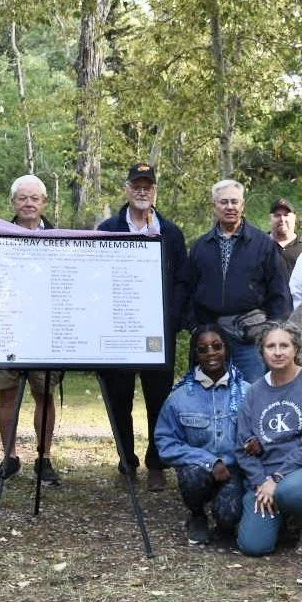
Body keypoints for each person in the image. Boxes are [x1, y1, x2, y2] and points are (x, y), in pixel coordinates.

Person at [96, 162, 188, 491]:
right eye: (137, 185)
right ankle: (127, 459)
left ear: (155, 191)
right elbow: (95, 280)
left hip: (157, 334)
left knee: (158, 401)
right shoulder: (107, 229)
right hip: (118, 332)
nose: (142, 191)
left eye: (148, 186)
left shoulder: (171, 232)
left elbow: (181, 281)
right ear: (127, 189)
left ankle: (156, 461)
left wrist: (172, 320)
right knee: (118, 398)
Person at [0, 174, 65, 486]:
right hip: (6, 331)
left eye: (35, 198)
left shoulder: (62, 239)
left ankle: (44, 459)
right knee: (7, 394)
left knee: (43, 393)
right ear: (14, 203)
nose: (29, 203)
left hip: (47, 332)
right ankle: (9, 457)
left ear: (44, 202)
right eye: (23, 198)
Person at [235, 322, 302, 556]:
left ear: (296, 349)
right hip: (266, 477)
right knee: (254, 546)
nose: (278, 352)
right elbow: (242, 446)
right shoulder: (253, 392)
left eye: (284, 345)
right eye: (271, 346)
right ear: (262, 351)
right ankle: (279, 522)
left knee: (290, 491)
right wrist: (261, 481)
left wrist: (277, 478)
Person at [179, 179, 292, 385]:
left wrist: (270, 331)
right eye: (223, 202)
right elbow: (188, 291)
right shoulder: (200, 247)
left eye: (234, 201)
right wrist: (195, 327)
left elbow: (280, 294)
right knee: (210, 395)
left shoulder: (264, 245)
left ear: (243, 205)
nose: (229, 207)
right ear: (214, 206)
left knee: (252, 395)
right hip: (210, 338)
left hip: (250, 339)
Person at [153, 326, 251, 546]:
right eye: (203, 349)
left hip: (233, 470)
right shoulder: (179, 397)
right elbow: (166, 443)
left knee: (228, 514)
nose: (211, 353)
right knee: (192, 475)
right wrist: (209, 462)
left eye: (217, 346)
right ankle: (197, 514)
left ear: (226, 349)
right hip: (199, 468)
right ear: (195, 355)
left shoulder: (247, 392)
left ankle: (224, 522)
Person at [268, 198, 302, 278]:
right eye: (277, 215)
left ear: (294, 218)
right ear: (270, 219)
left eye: (286, 215)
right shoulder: (259, 244)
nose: (282, 219)